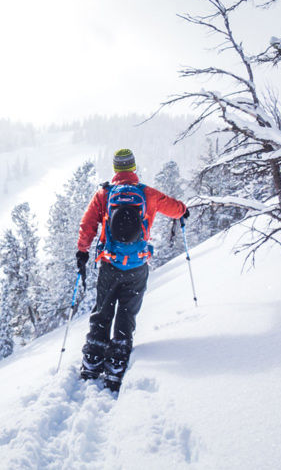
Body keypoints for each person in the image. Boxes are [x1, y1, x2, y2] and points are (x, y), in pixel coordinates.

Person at [75, 148, 188, 391]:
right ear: (133, 168)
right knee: (127, 313)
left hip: (109, 264)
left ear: (116, 169)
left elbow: (87, 226)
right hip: (137, 265)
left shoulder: (104, 194)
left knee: (103, 310)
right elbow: (176, 208)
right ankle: (116, 363)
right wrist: (184, 210)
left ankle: (93, 359)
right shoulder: (148, 193)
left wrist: (82, 251)